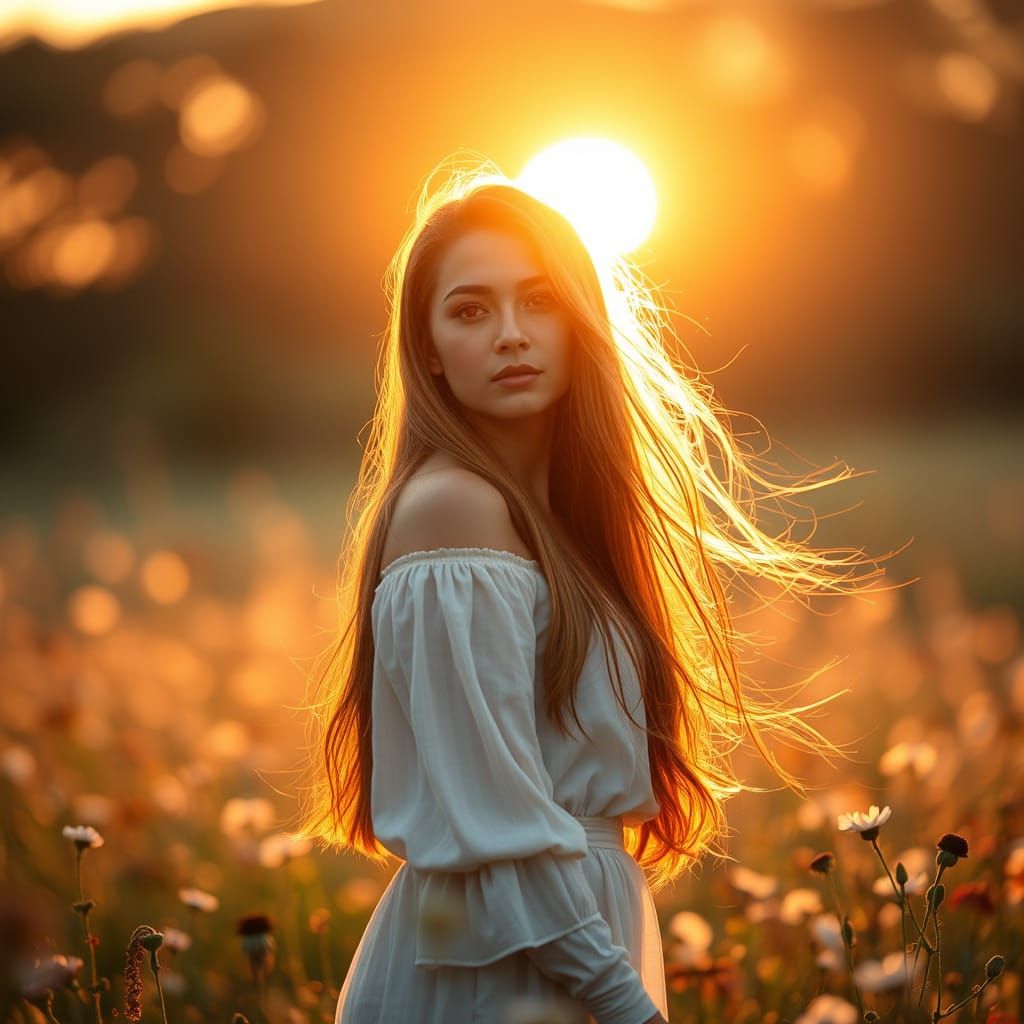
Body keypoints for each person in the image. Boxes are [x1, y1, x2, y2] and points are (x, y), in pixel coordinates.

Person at [293, 157, 895, 1024]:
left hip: (560, 953)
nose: (510, 332)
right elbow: (496, 838)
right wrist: (629, 1008)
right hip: (502, 972)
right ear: (427, 347)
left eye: (539, 301)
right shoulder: (453, 509)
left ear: (580, 321)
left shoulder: (560, 526)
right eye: (471, 309)